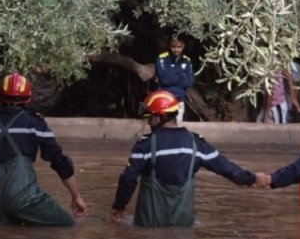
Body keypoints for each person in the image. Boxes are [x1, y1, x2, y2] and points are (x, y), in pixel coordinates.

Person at [111, 90, 270, 227]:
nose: (148, 122)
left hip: (149, 225)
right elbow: (226, 168)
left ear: (160, 117)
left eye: (150, 118)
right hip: (184, 225)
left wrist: (119, 207)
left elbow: (128, 179)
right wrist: (253, 178)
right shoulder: (195, 144)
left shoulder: (145, 146)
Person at [0, 72, 87, 226]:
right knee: (69, 227)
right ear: (28, 98)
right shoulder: (35, 123)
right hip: (24, 198)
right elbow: (59, 161)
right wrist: (76, 196)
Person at [155, 36, 193, 124]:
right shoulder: (162, 58)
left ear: (183, 46)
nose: (176, 50)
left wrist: (172, 76)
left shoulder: (187, 60)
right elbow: (164, 80)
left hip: (179, 100)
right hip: (165, 99)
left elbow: (189, 82)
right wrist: (181, 75)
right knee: (162, 126)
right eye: (173, 47)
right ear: (169, 46)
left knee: (178, 126)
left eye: (179, 47)